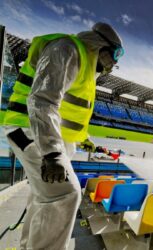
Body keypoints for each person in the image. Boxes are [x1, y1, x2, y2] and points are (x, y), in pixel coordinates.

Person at [3, 22, 124, 250]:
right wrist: (52, 154)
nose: (114, 63)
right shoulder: (68, 49)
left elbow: (68, 113)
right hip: (29, 129)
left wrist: (85, 141)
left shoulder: (87, 69)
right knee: (65, 195)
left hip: (48, 133)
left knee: (44, 197)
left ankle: (28, 245)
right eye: (115, 54)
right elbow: (42, 101)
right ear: (100, 44)